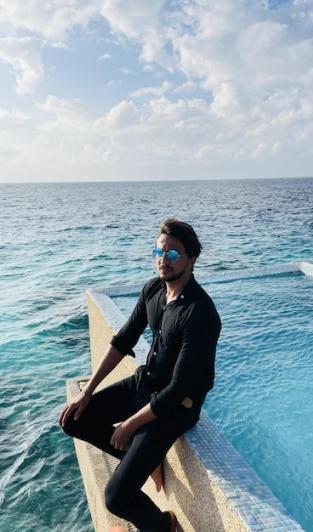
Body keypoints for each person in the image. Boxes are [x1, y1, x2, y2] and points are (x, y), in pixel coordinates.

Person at [59, 219, 221, 532]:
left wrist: (130, 425)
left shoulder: (200, 314)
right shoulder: (153, 290)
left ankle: (163, 526)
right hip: (145, 383)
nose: (164, 259)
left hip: (177, 406)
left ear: (191, 259)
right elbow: (123, 340)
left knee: (116, 497)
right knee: (72, 419)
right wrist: (88, 391)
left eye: (173, 254)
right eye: (159, 252)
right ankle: (144, 459)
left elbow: (178, 389)